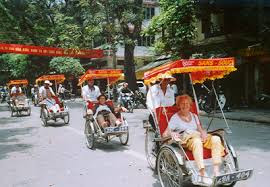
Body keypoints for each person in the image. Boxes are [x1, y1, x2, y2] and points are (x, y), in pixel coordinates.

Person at [168, 94, 225, 184]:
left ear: (190, 105)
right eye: (182, 103)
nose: (185, 105)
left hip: (198, 136)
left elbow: (200, 129)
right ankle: (202, 174)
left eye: (187, 103)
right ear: (178, 105)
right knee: (197, 142)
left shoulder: (194, 116)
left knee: (216, 139)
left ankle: (216, 171)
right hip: (188, 139)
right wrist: (173, 133)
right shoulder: (175, 118)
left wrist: (203, 133)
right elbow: (166, 133)